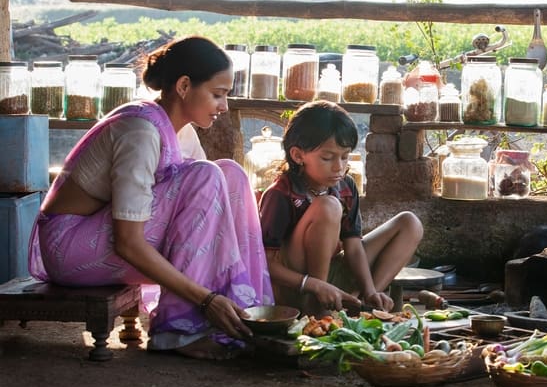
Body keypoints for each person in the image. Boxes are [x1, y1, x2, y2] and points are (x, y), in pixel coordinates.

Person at [28, 36, 274, 360]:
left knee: (231, 174)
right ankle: (178, 331)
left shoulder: (182, 130)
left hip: (109, 237)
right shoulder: (140, 132)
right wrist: (206, 299)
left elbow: (209, 210)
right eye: (218, 94)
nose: (224, 107)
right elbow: (128, 242)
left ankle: (249, 315)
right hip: (70, 250)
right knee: (208, 175)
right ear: (184, 86)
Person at [258, 100, 423, 316]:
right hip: (298, 287)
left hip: (333, 274)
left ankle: (365, 305)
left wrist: (370, 289)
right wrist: (315, 285)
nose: (339, 166)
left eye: (345, 156)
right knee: (328, 206)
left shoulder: (345, 186)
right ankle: (318, 309)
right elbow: (265, 265)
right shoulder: (280, 194)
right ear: (298, 156)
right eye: (327, 158)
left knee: (410, 223)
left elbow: (353, 246)